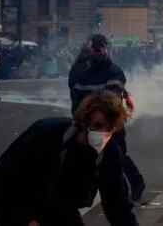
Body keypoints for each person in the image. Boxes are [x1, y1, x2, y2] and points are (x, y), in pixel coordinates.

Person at [0, 91, 137, 226]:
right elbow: (1, 183)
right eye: (98, 126)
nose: (103, 134)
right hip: (20, 202)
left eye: (109, 128)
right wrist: (24, 219)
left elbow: (117, 204)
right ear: (83, 121)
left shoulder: (109, 153)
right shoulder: (46, 133)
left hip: (61, 207)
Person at [68, 34, 145, 204]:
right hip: (91, 125)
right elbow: (77, 100)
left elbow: (113, 102)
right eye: (93, 49)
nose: (96, 52)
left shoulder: (114, 71)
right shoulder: (83, 73)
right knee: (104, 161)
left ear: (105, 49)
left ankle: (133, 186)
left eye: (99, 48)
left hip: (111, 124)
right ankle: (123, 191)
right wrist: (80, 121)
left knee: (117, 157)